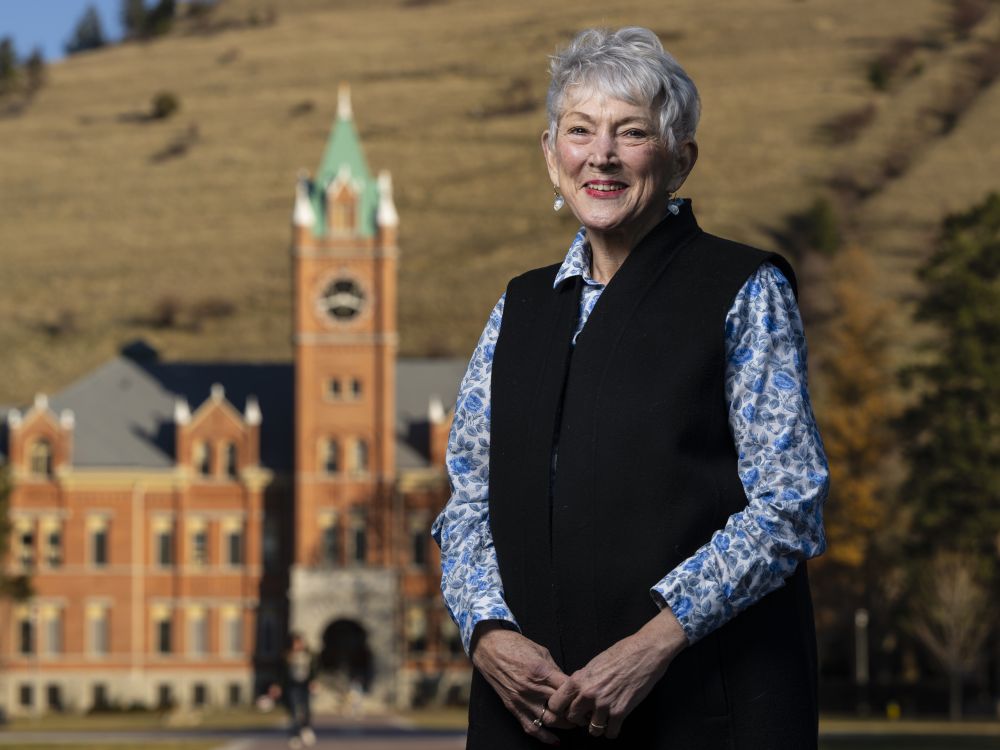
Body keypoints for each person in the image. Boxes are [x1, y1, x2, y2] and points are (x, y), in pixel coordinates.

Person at [432, 26, 830, 749]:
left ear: (681, 159)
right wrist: (486, 629)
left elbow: (790, 503)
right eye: (580, 131)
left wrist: (651, 645)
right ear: (552, 156)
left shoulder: (743, 289)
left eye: (632, 132)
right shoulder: (518, 307)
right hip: (529, 713)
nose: (602, 155)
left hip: (700, 704)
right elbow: (467, 499)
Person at [269, 632, 318, 748]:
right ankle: (294, 736)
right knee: (294, 712)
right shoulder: (287, 656)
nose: (297, 645)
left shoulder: (309, 655)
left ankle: (306, 729)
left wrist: (314, 681)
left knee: (306, 710)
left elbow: (314, 669)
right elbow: (281, 673)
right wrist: (277, 685)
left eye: (299, 643)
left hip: (305, 686)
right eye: (295, 643)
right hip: (291, 686)